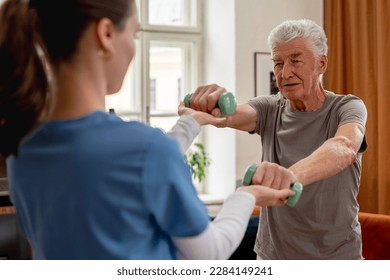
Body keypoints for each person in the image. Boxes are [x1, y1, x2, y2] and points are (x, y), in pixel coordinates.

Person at [0, 0, 294, 260]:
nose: (133, 46)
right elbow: (209, 252)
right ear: (105, 35)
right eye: (135, 33)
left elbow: (128, 168)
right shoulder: (144, 150)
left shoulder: (21, 143)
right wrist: (246, 195)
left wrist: (190, 122)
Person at [186, 19, 368, 259]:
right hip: (273, 257)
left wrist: (289, 177)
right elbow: (228, 116)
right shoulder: (270, 108)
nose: (285, 72)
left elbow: (344, 146)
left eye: (296, 60)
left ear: (321, 63)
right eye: (278, 63)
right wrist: (208, 106)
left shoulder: (347, 107)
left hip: (337, 257)